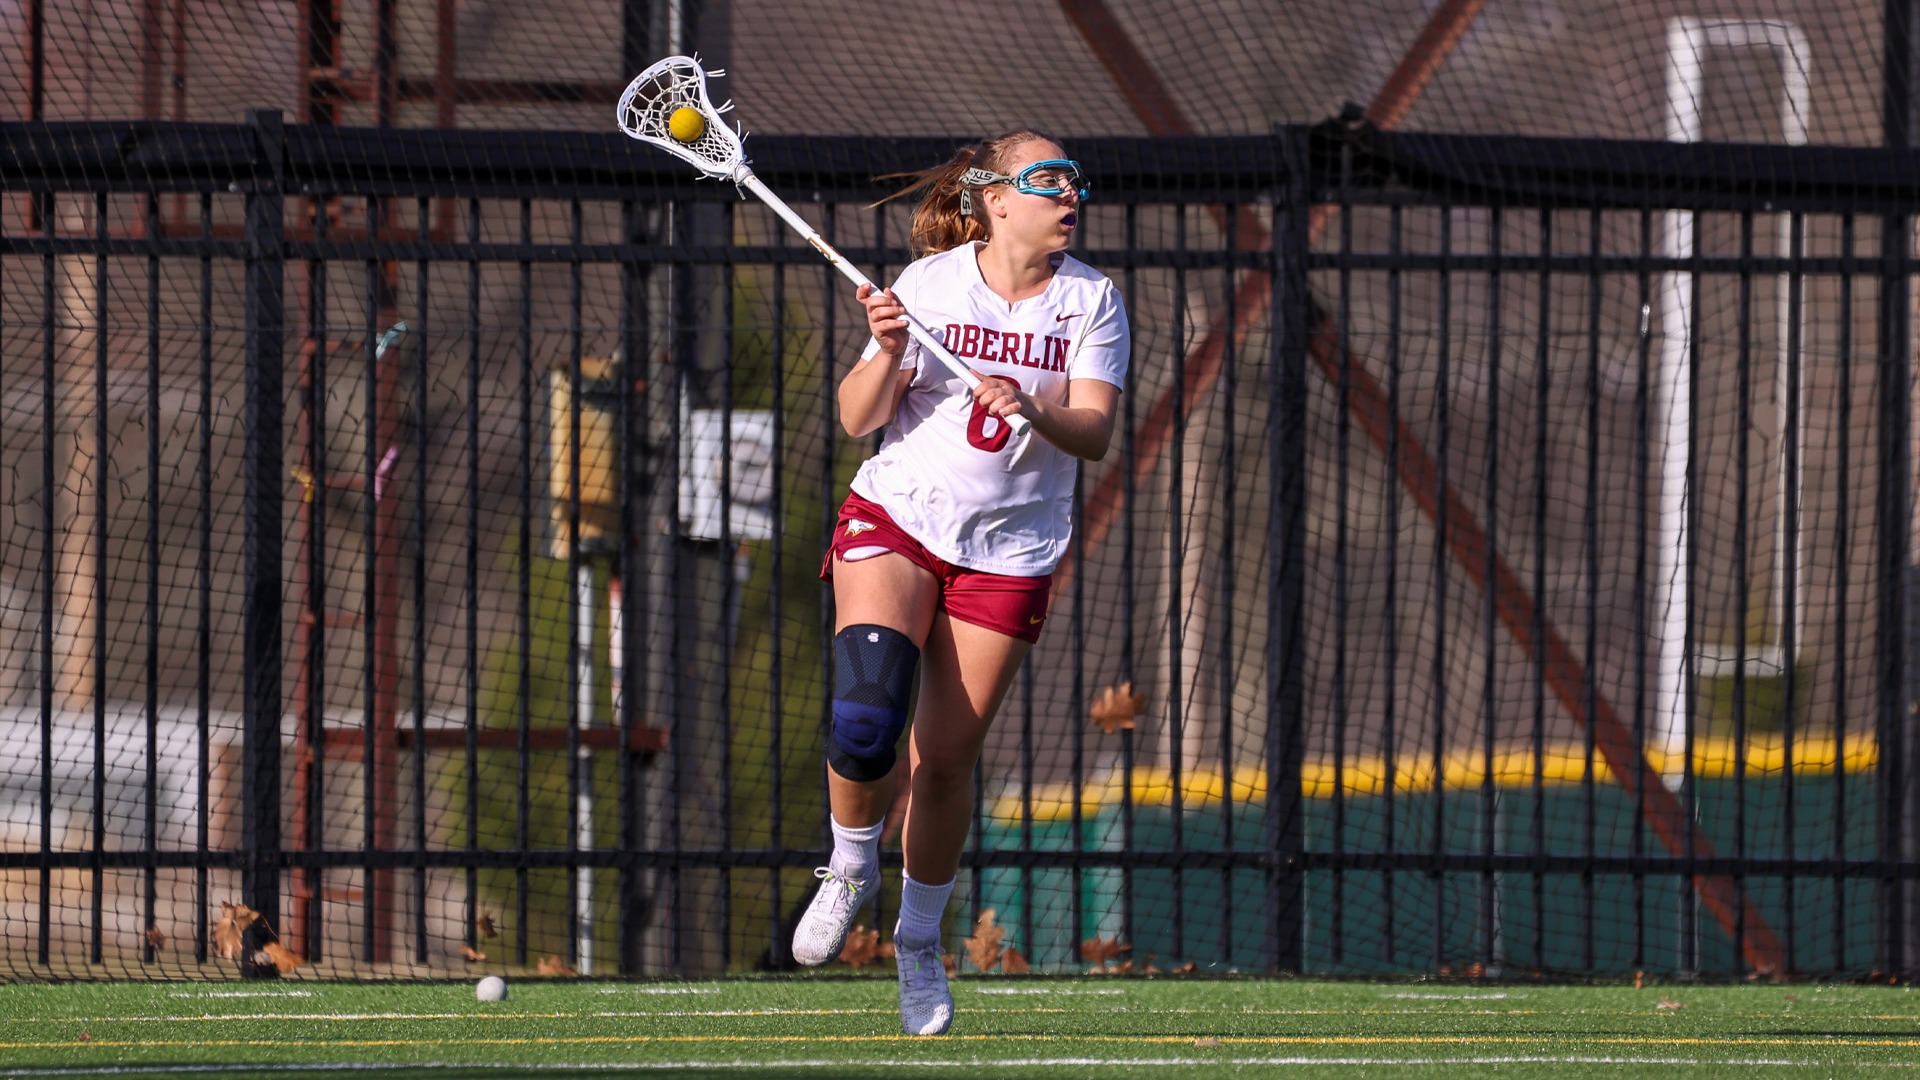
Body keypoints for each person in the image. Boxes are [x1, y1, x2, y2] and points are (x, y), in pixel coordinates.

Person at [790, 130, 1130, 1036]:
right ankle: (851, 862)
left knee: (942, 762)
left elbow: (1094, 433)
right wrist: (881, 349)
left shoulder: (1091, 301)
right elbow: (858, 417)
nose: (1070, 196)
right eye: (1048, 180)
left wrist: (1035, 405)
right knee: (866, 714)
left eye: (1074, 182)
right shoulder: (930, 286)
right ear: (996, 199)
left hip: (1009, 551)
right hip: (899, 517)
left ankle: (915, 943)